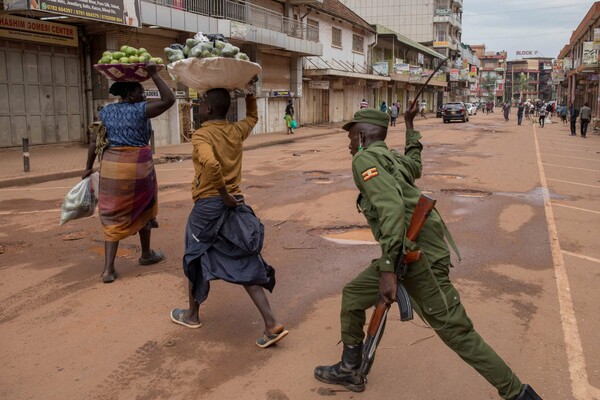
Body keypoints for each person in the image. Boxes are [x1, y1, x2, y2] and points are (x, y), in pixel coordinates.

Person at [313, 101, 542, 400]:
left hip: (415, 256)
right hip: (405, 249)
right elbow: (415, 166)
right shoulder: (389, 158)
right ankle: (350, 368)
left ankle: (517, 393)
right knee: (354, 296)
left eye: (350, 134)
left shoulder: (365, 160)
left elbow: (392, 209)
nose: (348, 141)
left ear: (363, 134)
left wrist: (386, 271)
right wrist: (410, 126)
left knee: (456, 331)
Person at [170, 87, 288, 348]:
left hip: (211, 206)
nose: (199, 106)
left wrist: (222, 193)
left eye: (201, 102)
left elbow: (211, 165)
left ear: (209, 109)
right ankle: (271, 323)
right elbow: (253, 118)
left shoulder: (201, 134)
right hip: (234, 203)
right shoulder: (235, 130)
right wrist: (250, 95)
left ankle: (192, 315)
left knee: (194, 254)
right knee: (244, 257)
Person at [82, 61, 175, 283]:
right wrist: (153, 74)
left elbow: (96, 141)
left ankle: (108, 270)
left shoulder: (105, 112)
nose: (143, 95)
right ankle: (145, 254)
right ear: (130, 95)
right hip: (138, 168)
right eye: (140, 92)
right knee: (144, 206)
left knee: (112, 214)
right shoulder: (139, 110)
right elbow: (169, 99)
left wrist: (87, 167)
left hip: (112, 168)